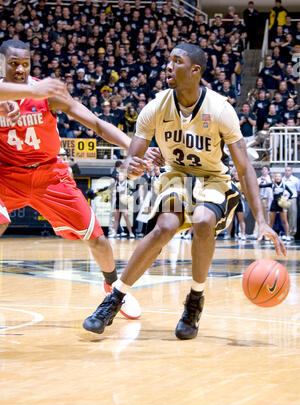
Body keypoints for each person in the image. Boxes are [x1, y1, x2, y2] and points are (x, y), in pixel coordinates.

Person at [82, 43, 286, 340]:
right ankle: (115, 298)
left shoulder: (220, 109)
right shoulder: (154, 107)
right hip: (176, 176)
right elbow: (130, 162)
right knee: (165, 226)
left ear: (195, 71)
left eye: (176, 61)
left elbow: (244, 167)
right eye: (168, 60)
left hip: (213, 179)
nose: (168, 66)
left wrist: (262, 220)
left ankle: (194, 300)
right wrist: (135, 166)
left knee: (203, 221)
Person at [0, 39, 162, 321]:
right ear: (2, 64)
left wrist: (136, 148)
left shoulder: (47, 94)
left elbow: (98, 124)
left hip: (49, 175)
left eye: (25, 64)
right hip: (6, 174)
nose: (20, 69)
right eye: (14, 64)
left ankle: (114, 289)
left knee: (97, 239)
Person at [259, 173, 293, 242]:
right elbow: (261, 186)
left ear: (281, 177)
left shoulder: (284, 185)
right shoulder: (272, 184)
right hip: (274, 203)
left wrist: (287, 198)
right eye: (276, 176)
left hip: (281, 203)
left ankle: (287, 236)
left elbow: (291, 193)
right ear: (274, 178)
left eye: (279, 176)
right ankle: (269, 236)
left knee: (285, 221)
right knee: (271, 221)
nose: (277, 177)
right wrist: (262, 181)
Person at [282, 166, 300, 240]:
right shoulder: (282, 180)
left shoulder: (295, 180)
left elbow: (298, 191)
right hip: (283, 200)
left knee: (292, 216)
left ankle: (292, 233)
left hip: (292, 199)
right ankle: (285, 233)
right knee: (284, 217)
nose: (287, 172)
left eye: (289, 170)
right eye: (286, 170)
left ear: (291, 171)